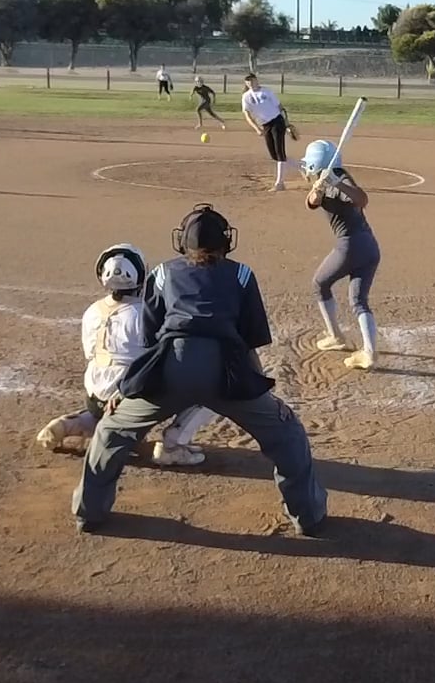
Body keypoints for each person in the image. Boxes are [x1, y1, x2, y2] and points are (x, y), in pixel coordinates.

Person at [72, 204, 326, 536]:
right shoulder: (241, 274)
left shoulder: (162, 273)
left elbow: (149, 341)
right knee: (287, 434)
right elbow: (250, 342)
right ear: (226, 242)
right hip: (227, 372)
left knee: (111, 431)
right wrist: (260, 392)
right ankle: (308, 516)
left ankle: (89, 513)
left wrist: (126, 390)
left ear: (182, 242)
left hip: (170, 369)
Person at [35, 243, 218, 466]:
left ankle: (77, 423)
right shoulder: (146, 313)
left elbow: (90, 354)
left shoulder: (92, 311)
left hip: (96, 397)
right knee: (213, 385)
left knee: (112, 409)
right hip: (128, 397)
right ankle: (173, 445)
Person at [301, 139, 382, 370]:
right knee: (358, 300)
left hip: (350, 246)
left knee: (320, 283)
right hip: (369, 246)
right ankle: (369, 353)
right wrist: (318, 190)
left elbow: (362, 200)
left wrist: (336, 183)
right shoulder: (323, 180)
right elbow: (311, 203)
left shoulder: (339, 177)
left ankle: (336, 336)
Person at [240, 71, 294, 191]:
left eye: (252, 79)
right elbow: (247, 115)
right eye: (248, 80)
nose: (250, 82)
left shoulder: (267, 91)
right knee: (274, 155)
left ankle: (279, 184)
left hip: (277, 121)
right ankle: (301, 167)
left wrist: (287, 124)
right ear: (246, 83)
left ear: (256, 80)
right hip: (265, 125)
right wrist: (257, 128)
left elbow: (280, 107)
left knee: (280, 152)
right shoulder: (246, 96)